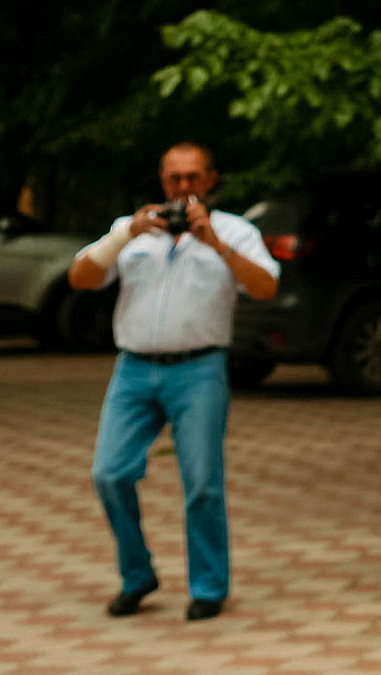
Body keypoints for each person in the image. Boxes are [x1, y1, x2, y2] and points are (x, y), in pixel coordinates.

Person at [68, 141, 281, 621]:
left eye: (192, 177)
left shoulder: (234, 231)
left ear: (210, 180)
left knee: (202, 482)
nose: (183, 187)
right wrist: (125, 235)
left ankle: (208, 586)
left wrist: (216, 244)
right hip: (133, 370)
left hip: (199, 370)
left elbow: (266, 286)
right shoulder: (132, 229)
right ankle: (137, 575)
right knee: (109, 474)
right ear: (162, 181)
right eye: (174, 178)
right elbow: (80, 278)